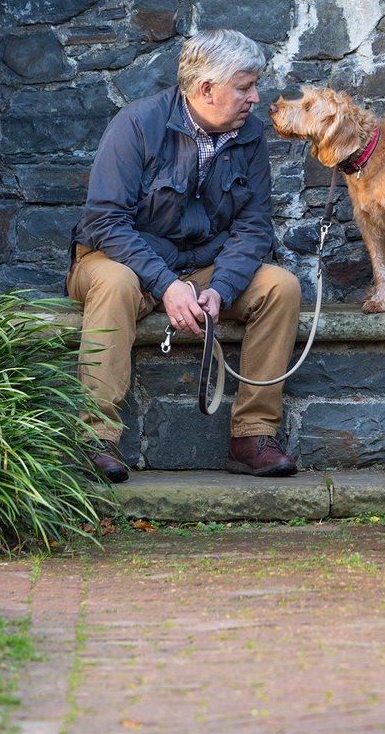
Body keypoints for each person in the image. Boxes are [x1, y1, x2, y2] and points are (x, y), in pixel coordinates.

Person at [67, 29, 301, 481]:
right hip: (119, 261)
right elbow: (105, 222)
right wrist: (166, 284)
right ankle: (95, 438)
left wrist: (221, 288)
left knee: (281, 286)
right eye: (244, 86)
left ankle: (252, 436)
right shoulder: (137, 124)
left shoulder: (249, 135)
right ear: (206, 89)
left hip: (201, 268)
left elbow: (253, 227)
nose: (256, 98)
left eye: (254, 85)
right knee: (114, 283)